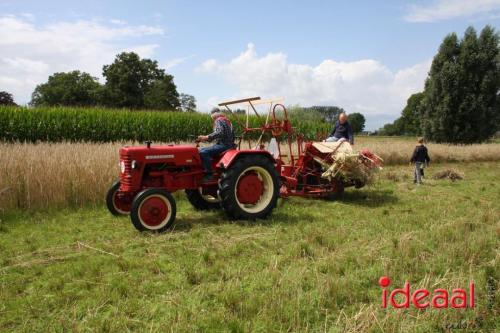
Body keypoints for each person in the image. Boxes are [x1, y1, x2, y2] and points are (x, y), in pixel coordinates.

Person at [197, 108, 235, 182]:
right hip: (229, 144)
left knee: (203, 152)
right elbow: (222, 135)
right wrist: (206, 139)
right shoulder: (226, 120)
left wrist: (207, 137)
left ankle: (209, 173)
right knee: (204, 149)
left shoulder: (219, 120)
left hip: (224, 145)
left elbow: (220, 132)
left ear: (213, 115)